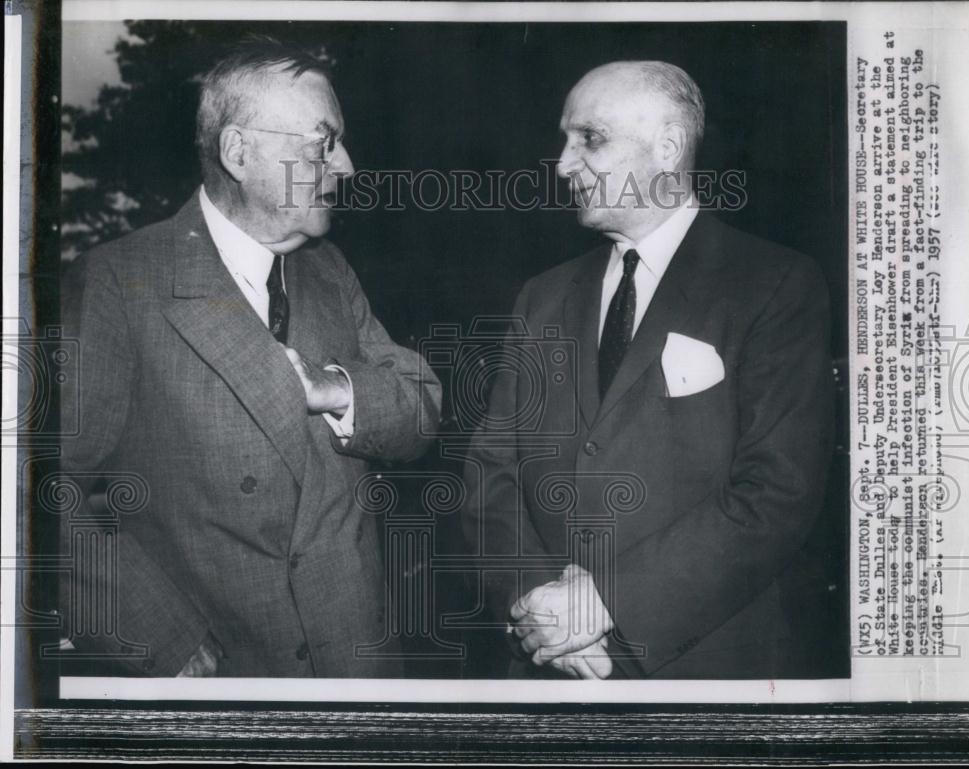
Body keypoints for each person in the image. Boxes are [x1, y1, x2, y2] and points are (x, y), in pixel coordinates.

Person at [60, 38, 441, 677]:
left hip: (357, 667)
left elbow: (423, 409)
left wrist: (341, 390)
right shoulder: (121, 282)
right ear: (240, 153)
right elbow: (36, 488)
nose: (345, 164)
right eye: (323, 142)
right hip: (226, 674)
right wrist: (157, 639)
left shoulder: (328, 271)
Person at [463, 61, 833, 679]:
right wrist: (541, 610)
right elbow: (489, 472)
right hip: (550, 664)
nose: (562, 163)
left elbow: (777, 493)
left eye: (591, 138)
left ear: (667, 147)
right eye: (565, 139)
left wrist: (606, 602)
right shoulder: (542, 296)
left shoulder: (774, 285)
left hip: (705, 666)